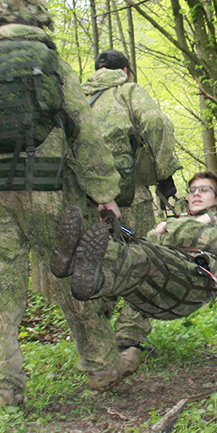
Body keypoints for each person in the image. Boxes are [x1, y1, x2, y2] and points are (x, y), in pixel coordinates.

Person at [0, 0, 136, 405]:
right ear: (41, 22)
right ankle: (101, 365)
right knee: (73, 273)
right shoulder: (51, 62)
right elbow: (84, 129)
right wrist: (104, 192)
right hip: (49, 191)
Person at [81, 49, 181, 355]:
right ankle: (128, 337)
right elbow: (156, 122)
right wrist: (165, 174)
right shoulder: (127, 91)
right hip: (129, 195)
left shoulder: (77, 96)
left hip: (85, 197)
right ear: (125, 71)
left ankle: (95, 338)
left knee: (97, 262)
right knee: (142, 259)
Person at [51, 171, 217, 324]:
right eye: (192, 190)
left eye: (204, 190)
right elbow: (151, 239)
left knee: (142, 256)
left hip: (195, 282)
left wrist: (168, 228)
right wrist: (182, 228)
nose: (196, 194)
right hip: (162, 281)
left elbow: (215, 242)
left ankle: (92, 276)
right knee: (129, 254)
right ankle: (74, 259)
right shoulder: (182, 219)